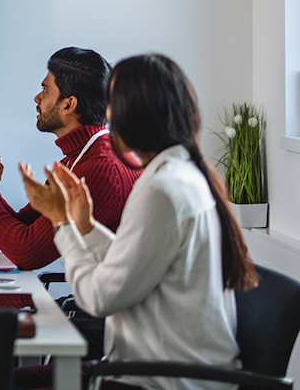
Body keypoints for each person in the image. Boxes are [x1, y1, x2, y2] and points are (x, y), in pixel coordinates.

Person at [17, 54, 257, 390]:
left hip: (158, 381)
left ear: (133, 115)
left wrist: (63, 225)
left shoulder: (162, 189)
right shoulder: (180, 174)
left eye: (112, 105)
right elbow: (137, 258)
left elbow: (98, 298)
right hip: (164, 371)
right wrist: (85, 227)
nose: (107, 114)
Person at [0, 47, 139, 270]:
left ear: (68, 105)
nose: (37, 97)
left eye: (45, 89)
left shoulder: (102, 169)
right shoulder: (80, 159)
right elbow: (26, 227)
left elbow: (27, 253)